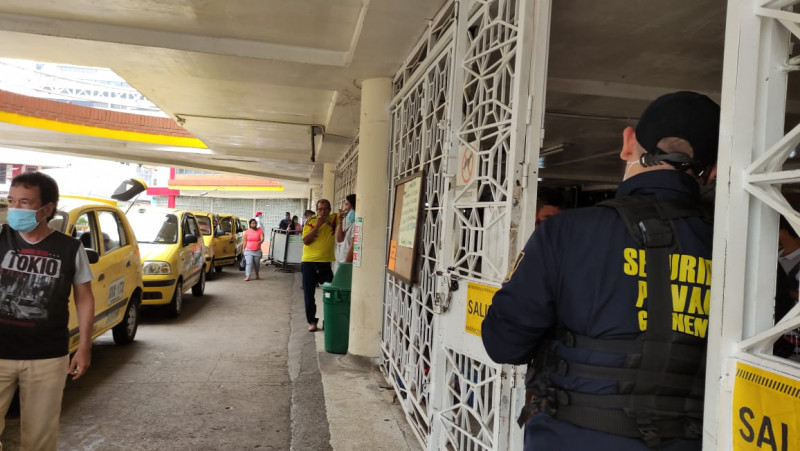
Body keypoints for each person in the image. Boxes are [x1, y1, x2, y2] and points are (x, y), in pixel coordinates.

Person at [482, 91, 720, 450]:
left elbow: (503, 345)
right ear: (713, 171)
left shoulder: (565, 232)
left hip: (568, 437)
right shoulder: (736, 249)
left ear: (627, 144)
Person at [0, 172, 95, 450]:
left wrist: (84, 346)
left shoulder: (69, 248)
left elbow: (85, 298)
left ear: (47, 209)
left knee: (39, 438)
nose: (15, 208)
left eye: (25, 202)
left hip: (47, 357)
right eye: (11, 201)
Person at [301, 199, 338, 332]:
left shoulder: (334, 219)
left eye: (326, 209)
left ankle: (328, 320)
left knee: (330, 293)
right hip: (308, 263)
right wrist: (318, 225)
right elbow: (306, 241)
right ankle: (312, 321)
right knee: (309, 294)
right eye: (320, 209)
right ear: (317, 210)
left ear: (330, 210)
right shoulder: (310, 222)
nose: (323, 212)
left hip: (325, 263)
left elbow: (350, 209)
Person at [774, 216, 800, 357]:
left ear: (784, 233)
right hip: (775, 332)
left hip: (792, 337)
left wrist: (785, 292)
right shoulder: (772, 256)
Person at [335, 194, 357, 263]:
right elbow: (339, 239)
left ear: (354, 206)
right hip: (343, 261)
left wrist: (345, 264)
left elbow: (353, 246)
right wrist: (340, 221)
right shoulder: (351, 224)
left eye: (347, 204)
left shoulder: (356, 224)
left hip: (347, 263)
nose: (345, 208)